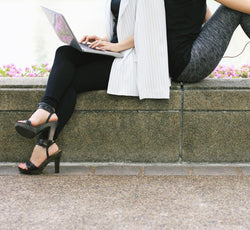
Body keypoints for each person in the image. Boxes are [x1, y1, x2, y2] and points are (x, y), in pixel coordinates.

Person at [14, 0, 170, 174]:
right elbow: (123, 25)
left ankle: (45, 141)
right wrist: (104, 40)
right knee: (65, 52)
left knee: (70, 80)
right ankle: (46, 111)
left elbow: (151, 31)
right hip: (117, 52)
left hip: (135, 60)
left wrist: (116, 46)